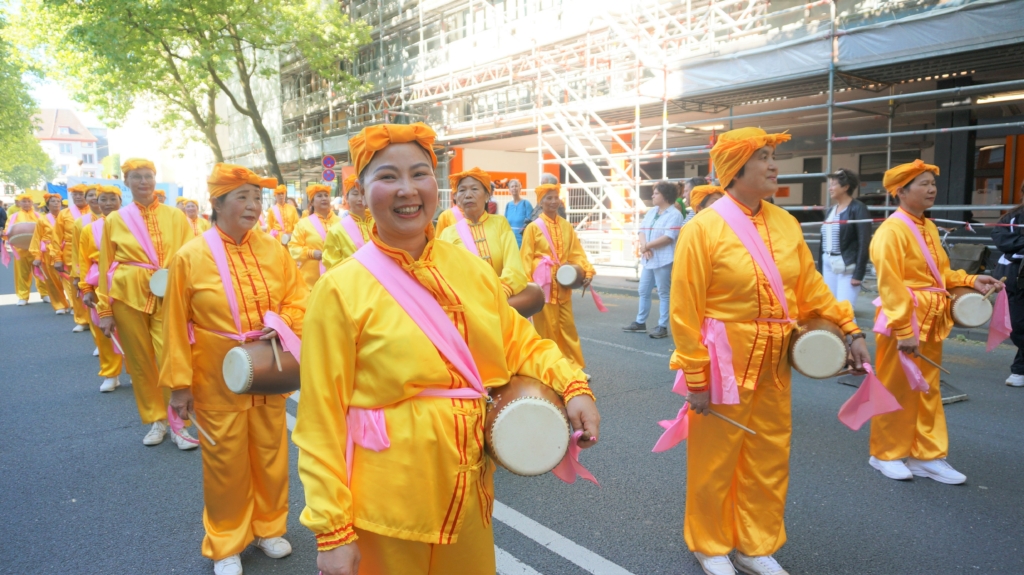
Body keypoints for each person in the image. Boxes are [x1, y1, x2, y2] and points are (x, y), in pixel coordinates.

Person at [293, 123, 599, 575]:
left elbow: (521, 343)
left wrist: (573, 386)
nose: (407, 190)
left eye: (419, 174)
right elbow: (320, 420)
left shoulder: (470, 270)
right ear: (360, 191)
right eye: (387, 177)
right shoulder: (338, 290)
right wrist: (333, 530)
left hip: (468, 494)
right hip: (386, 510)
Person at [663, 127, 870, 575]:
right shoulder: (703, 228)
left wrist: (850, 329)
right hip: (724, 361)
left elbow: (811, 289)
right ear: (735, 169)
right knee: (716, 457)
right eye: (763, 156)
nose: (774, 165)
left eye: (774, 155)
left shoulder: (786, 223)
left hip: (776, 359)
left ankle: (756, 544)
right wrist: (696, 378)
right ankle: (710, 543)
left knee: (769, 453)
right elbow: (684, 312)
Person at [162, 164, 306, 575]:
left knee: (271, 453)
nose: (253, 206)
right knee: (225, 462)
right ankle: (226, 541)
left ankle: (269, 527)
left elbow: (299, 298)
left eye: (256, 198)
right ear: (218, 202)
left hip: (268, 367)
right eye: (242, 197)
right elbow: (173, 325)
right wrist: (179, 385)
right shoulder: (190, 256)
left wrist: (282, 323)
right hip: (215, 375)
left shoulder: (274, 249)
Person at [868, 160, 1002, 485]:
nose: (931, 189)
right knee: (897, 387)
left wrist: (971, 280)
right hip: (903, 323)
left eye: (932, 183)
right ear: (901, 191)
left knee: (928, 389)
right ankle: (885, 453)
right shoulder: (891, 231)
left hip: (930, 318)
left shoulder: (926, 226)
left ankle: (927, 454)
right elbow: (891, 285)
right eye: (923, 184)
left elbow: (938, 275)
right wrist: (903, 329)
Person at [96, 158, 197, 449]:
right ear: (126, 183)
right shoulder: (115, 219)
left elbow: (192, 257)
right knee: (140, 362)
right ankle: (156, 420)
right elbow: (105, 266)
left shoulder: (177, 216)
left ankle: (180, 424)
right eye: (137, 177)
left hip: (170, 293)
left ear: (155, 180)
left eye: (148, 177)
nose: (143, 182)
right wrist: (105, 309)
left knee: (172, 357)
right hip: (128, 297)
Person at [521, 183, 595, 372]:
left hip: (563, 283)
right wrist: (527, 287)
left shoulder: (566, 226)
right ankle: (551, 369)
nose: (553, 201)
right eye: (548, 198)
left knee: (568, 327)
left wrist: (586, 271)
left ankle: (574, 368)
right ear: (541, 202)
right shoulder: (533, 228)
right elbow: (525, 258)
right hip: (542, 286)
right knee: (546, 330)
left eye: (556, 197)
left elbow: (576, 253)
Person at [439, 167, 528, 297]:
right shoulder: (447, 234)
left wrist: (501, 292)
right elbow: (443, 275)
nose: (468, 195)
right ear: (456, 197)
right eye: (462, 190)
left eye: (474, 189)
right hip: (466, 304)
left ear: (487, 196)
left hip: (501, 300)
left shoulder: (500, 224)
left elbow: (514, 268)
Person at [79, 185, 125, 392]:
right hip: (101, 284)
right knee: (105, 332)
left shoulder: (133, 225)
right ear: (96, 203)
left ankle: (138, 371)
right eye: (103, 199)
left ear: (120, 201)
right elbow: (83, 262)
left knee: (137, 331)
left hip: (128, 282)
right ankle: (110, 374)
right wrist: (86, 288)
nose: (107, 203)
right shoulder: (89, 229)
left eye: (112, 199)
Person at [623, 181, 683, 338]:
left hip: (664, 258)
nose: (653, 196)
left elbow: (669, 237)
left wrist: (646, 246)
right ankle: (640, 322)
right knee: (643, 290)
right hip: (649, 257)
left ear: (665, 196)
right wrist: (645, 246)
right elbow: (641, 230)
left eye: (656, 193)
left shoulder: (675, 214)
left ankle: (662, 326)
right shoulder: (652, 212)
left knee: (663, 292)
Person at [817, 169, 871, 305]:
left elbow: (864, 241)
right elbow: (823, 240)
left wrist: (859, 273)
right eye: (830, 184)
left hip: (847, 267)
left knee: (845, 313)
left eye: (833, 184)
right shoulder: (830, 210)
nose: (830, 188)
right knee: (830, 310)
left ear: (846, 187)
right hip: (828, 264)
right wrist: (820, 270)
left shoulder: (858, 208)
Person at [992, 185, 1024, 388]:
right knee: (1018, 325)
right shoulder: (1012, 217)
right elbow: (1003, 241)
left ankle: (1019, 369)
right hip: (1015, 278)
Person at [53, 184, 94, 330]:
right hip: (72, 255)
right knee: (77, 287)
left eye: (81, 194)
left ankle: (97, 320)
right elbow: (56, 237)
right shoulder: (64, 214)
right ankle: (82, 320)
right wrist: (57, 258)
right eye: (74, 194)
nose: (77, 196)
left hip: (95, 255)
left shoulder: (97, 210)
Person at [289, 184, 339, 290]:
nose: (324, 198)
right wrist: (311, 253)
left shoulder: (340, 222)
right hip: (310, 282)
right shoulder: (303, 224)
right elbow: (293, 248)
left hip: (337, 276)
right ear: (312, 202)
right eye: (319, 196)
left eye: (326, 195)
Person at [3, 193, 49, 306]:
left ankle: (45, 293)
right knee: (22, 274)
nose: (27, 204)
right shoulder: (13, 217)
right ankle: (23, 296)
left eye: (29, 201)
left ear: (32, 203)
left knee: (41, 272)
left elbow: (46, 230)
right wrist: (4, 234)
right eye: (24, 201)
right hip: (21, 249)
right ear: (19, 203)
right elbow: (8, 231)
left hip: (37, 250)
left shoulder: (39, 216)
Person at [29, 193, 71, 314]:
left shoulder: (66, 216)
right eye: (53, 201)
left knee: (69, 277)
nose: (56, 203)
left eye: (58, 201)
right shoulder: (42, 220)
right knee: (53, 280)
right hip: (48, 252)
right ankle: (60, 305)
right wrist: (37, 256)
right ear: (47, 205)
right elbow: (37, 238)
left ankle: (74, 305)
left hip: (65, 250)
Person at [322, 174, 373, 270]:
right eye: (355, 194)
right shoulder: (336, 231)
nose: (360, 198)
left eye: (363, 193)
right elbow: (332, 264)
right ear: (346, 198)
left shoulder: (380, 224)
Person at [70, 186, 102, 334]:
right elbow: (77, 251)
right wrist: (78, 275)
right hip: (91, 271)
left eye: (97, 195)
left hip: (115, 271)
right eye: (90, 195)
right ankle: (101, 345)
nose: (94, 198)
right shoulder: (81, 222)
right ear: (86, 199)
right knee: (94, 307)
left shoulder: (118, 219)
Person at [503, 178, 533, 247]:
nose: (514, 188)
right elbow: (505, 222)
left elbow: (531, 222)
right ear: (509, 190)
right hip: (510, 239)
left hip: (523, 239)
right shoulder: (508, 205)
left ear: (520, 188)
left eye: (516, 186)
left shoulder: (526, 203)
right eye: (512, 186)